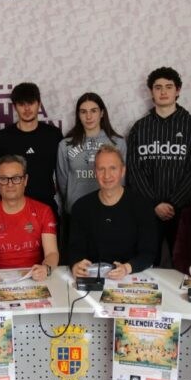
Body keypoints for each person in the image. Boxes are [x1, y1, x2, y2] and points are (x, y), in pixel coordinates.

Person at [125, 67, 191, 265]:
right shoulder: (139, 128)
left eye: (169, 87)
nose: (163, 92)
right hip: (148, 210)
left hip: (182, 210)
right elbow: (134, 172)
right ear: (151, 91)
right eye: (158, 87)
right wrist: (155, 204)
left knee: (184, 264)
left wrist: (172, 204)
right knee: (145, 264)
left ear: (177, 90)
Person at [70, 145, 157, 280]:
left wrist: (127, 268)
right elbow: (74, 250)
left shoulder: (142, 206)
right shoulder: (81, 207)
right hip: (92, 277)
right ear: (95, 172)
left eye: (113, 168)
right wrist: (76, 265)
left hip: (131, 276)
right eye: (101, 169)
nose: (107, 175)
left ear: (123, 171)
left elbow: (149, 253)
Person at [0, 155, 59, 285]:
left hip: (35, 279)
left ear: (25, 180)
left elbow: (52, 253)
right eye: (4, 179)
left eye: (16, 178)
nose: (10, 184)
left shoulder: (43, 211)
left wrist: (46, 268)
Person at [56, 92, 126, 260]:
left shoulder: (118, 143)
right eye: (83, 111)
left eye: (93, 111)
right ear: (78, 115)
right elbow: (63, 181)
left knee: (108, 263)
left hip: (109, 212)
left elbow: (122, 180)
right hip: (76, 213)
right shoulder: (65, 145)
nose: (88, 116)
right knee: (77, 264)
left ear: (102, 113)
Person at [0, 82, 63, 221]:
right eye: (21, 104)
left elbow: (63, 173)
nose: (27, 108)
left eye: (31, 103)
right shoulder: (2, 138)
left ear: (39, 104)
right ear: (15, 106)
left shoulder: (53, 135)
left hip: (46, 208)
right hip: (12, 210)